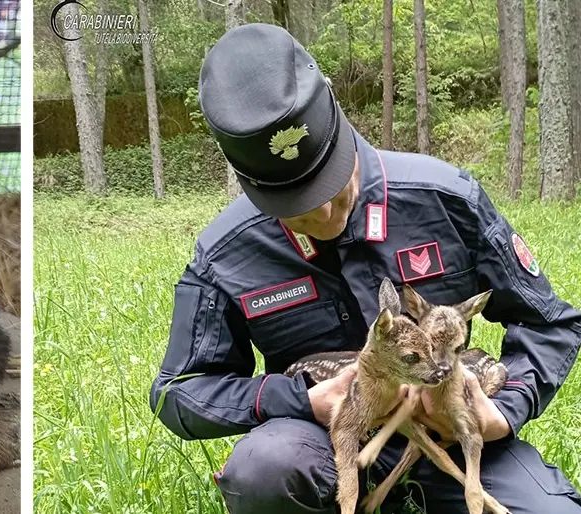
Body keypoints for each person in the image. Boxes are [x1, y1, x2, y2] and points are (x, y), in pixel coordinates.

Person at [148, 23, 581, 513]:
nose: (325, 216)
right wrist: (298, 400)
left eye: (330, 185)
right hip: (323, 441)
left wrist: (502, 409)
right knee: (263, 472)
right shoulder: (227, 252)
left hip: (451, 429)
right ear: (248, 185)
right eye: (296, 206)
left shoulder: (445, 199)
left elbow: (550, 322)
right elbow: (178, 393)